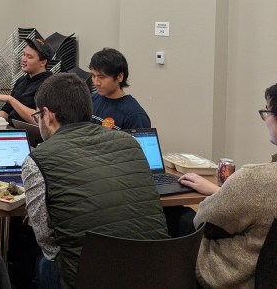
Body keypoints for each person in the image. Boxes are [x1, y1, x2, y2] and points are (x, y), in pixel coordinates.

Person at [21, 74, 168, 289]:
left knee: (44, 263)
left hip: (91, 277)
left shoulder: (39, 160)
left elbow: (46, 239)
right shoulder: (130, 142)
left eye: (38, 116)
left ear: (48, 115)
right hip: (155, 270)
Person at [179, 83, 277, 288]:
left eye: (267, 111)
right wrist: (222, 191)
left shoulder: (255, 179)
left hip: (233, 279)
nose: (265, 119)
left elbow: (202, 221)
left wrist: (226, 193)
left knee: (182, 218)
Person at [0, 38, 53, 123]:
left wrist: (11, 99)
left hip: (29, 133)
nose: (23, 59)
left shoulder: (50, 85)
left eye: (29, 57)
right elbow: (7, 109)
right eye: (23, 54)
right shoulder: (21, 80)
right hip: (10, 128)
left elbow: (40, 120)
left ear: (43, 62)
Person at [89, 48, 151, 130]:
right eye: (93, 76)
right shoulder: (92, 99)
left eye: (102, 77)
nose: (96, 82)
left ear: (119, 77)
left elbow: (137, 143)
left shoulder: (135, 116)